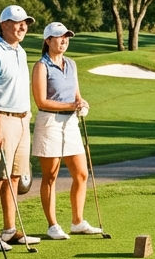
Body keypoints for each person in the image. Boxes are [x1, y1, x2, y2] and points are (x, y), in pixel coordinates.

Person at [0, 5, 41, 250]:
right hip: (2, 119)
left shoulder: (20, 51)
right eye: (17, 22)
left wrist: (27, 118)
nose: (23, 26)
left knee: (14, 177)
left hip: (23, 120)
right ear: (4, 25)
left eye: (25, 22)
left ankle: (9, 230)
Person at [31, 22, 102, 239]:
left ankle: (77, 221)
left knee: (81, 173)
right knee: (50, 176)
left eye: (66, 37)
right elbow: (41, 101)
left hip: (70, 123)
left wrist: (82, 104)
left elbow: (76, 94)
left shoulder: (71, 64)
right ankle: (53, 225)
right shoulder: (41, 67)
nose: (64, 40)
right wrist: (71, 105)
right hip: (49, 123)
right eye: (59, 37)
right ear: (48, 41)